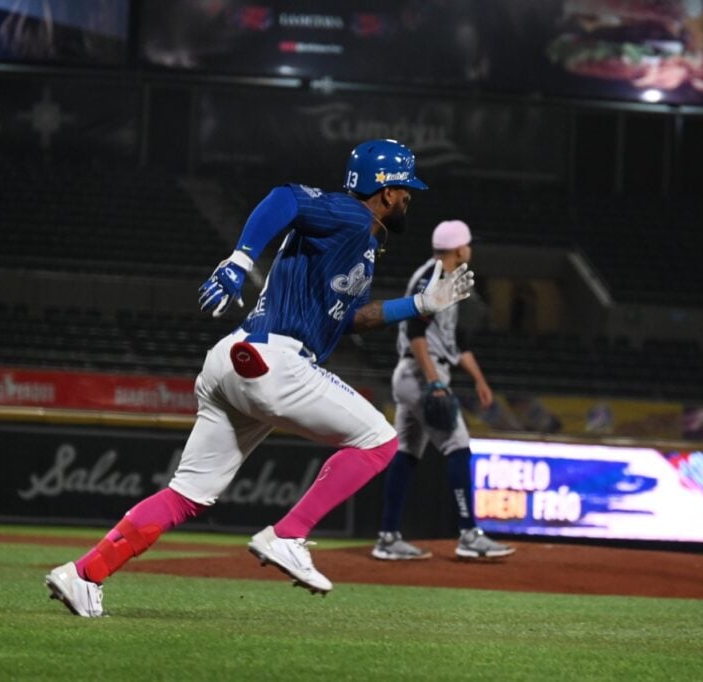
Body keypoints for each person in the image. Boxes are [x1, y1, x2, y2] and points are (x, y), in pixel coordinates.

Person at [44, 139, 475, 616]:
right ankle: (289, 534)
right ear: (387, 191)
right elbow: (284, 198)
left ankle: (84, 574)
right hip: (275, 360)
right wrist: (240, 260)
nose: (410, 197)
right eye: (406, 189)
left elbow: (352, 316)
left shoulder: (358, 238)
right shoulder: (351, 216)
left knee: (185, 495)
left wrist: (419, 305)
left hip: (233, 359)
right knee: (379, 441)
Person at [373, 220, 515, 561]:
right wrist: (435, 380)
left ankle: (388, 537)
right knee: (458, 446)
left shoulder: (445, 278)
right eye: (469, 244)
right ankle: (468, 534)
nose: (471, 249)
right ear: (459, 249)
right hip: (422, 373)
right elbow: (416, 333)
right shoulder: (432, 278)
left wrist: (479, 380)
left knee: (407, 453)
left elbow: (454, 343)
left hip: (415, 372)